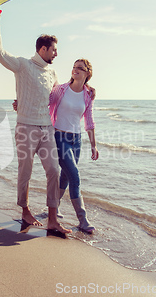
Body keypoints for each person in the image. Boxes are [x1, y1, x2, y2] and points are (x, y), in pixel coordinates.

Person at [0, 7, 71, 234]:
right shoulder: (23, 65)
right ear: (43, 49)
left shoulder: (52, 74)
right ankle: (25, 210)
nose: (56, 54)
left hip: (47, 129)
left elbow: (58, 97)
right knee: (25, 170)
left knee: (53, 170)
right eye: (54, 50)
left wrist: (86, 87)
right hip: (26, 127)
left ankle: (53, 218)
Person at [49, 59, 99, 233]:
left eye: (80, 68)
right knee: (75, 176)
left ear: (87, 73)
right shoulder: (60, 90)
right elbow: (43, 102)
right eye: (74, 67)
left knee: (66, 176)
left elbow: (89, 121)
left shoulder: (88, 95)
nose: (75, 70)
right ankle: (83, 219)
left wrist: (94, 145)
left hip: (76, 140)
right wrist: (22, 104)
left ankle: (55, 208)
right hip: (59, 137)